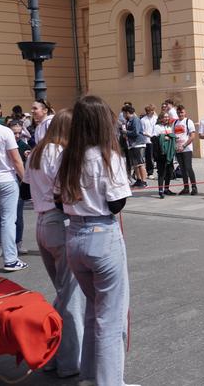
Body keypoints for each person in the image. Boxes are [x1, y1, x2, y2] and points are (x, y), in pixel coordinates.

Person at [56, 95, 134, 386]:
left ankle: (89, 375)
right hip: (102, 235)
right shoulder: (107, 156)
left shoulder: (68, 156)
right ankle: (109, 382)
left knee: (94, 310)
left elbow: (56, 199)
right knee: (110, 318)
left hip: (75, 236)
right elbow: (116, 204)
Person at [23, 109, 85, 378]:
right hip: (59, 222)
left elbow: (27, 186)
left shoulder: (37, 151)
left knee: (62, 294)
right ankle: (71, 362)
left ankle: (51, 354)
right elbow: (65, 191)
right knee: (71, 298)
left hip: (41, 223)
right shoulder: (60, 154)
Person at [0, 99, 27, 272]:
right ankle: (10, 260)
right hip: (5, 178)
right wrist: (25, 180)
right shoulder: (4, 131)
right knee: (8, 219)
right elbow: (16, 160)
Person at [0, 121, 30, 257]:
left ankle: (18, 242)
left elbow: (30, 159)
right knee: (2, 217)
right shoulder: (2, 143)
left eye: (19, 132)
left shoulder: (23, 145)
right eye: (14, 132)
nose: (17, 135)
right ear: (8, 131)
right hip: (4, 182)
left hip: (19, 184)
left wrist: (29, 155)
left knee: (18, 216)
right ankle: (0, 245)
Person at [174, 104, 198, 195]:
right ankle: (186, 188)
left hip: (187, 149)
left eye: (182, 112)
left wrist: (184, 146)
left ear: (185, 112)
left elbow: (192, 136)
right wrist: (175, 146)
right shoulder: (175, 123)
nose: (180, 114)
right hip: (178, 149)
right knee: (182, 169)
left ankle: (194, 187)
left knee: (188, 167)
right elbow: (173, 136)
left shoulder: (188, 121)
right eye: (179, 112)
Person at [122, 105, 147, 188]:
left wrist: (126, 132)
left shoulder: (135, 119)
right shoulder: (128, 121)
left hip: (138, 144)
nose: (123, 115)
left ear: (127, 113)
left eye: (124, 113)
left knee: (140, 163)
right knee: (135, 164)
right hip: (132, 144)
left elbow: (136, 132)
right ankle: (138, 180)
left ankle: (144, 181)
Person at [153, 111, 177, 198]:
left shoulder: (169, 127)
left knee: (170, 171)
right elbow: (154, 139)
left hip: (169, 153)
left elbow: (172, 137)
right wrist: (163, 137)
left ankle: (166, 189)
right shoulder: (157, 127)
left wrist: (170, 137)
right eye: (165, 117)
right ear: (161, 118)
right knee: (161, 172)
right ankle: (160, 190)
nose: (166, 118)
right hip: (161, 153)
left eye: (167, 117)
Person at [140, 104, 157, 178]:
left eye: (153, 110)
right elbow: (142, 131)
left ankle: (159, 171)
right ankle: (150, 172)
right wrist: (150, 135)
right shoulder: (143, 120)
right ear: (148, 111)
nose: (153, 112)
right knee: (149, 157)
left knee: (156, 156)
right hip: (147, 140)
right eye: (151, 110)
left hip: (156, 139)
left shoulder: (156, 118)